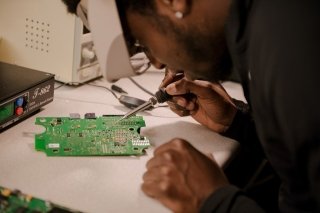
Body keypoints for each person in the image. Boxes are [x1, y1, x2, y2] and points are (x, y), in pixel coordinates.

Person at [62, 0, 320, 212]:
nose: (157, 64)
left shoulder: (290, 53)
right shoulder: (266, 24)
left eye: (143, 43)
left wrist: (214, 201)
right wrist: (239, 123)